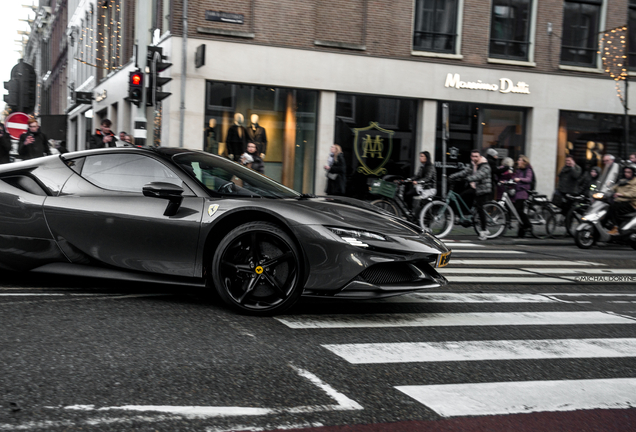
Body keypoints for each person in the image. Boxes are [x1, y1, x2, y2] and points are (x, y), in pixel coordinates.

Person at [449, 149, 492, 241]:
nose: (474, 158)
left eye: (476, 156)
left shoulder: (485, 166)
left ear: (480, 157)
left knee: (480, 208)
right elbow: (464, 172)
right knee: (461, 196)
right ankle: (466, 216)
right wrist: (452, 176)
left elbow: (479, 176)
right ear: (471, 157)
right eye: (473, 156)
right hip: (475, 188)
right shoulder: (472, 165)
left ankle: (484, 231)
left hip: (483, 189)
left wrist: (468, 179)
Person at [606, 165, 636, 235]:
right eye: (625, 172)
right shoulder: (622, 181)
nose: (626, 174)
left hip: (632, 204)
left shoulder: (635, 182)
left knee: (614, 207)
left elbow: (633, 194)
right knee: (606, 206)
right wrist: (606, 192)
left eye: (629, 172)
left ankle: (616, 227)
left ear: (633, 173)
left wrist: (621, 194)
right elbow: (614, 187)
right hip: (621, 201)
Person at [513, 155, 534, 238]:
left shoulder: (528, 170)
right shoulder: (518, 170)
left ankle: (528, 225)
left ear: (524, 162)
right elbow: (514, 177)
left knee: (519, 210)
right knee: (518, 211)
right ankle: (521, 233)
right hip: (518, 192)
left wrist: (520, 179)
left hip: (523, 192)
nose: (518, 161)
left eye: (519, 160)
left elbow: (529, 179)